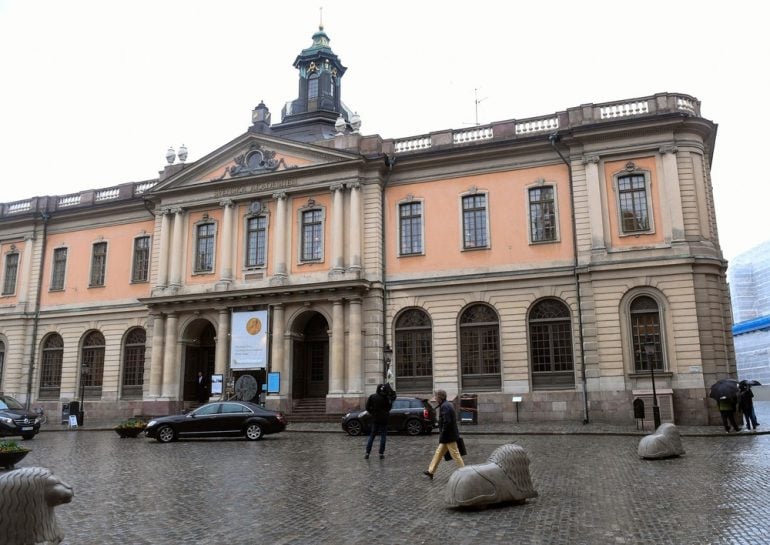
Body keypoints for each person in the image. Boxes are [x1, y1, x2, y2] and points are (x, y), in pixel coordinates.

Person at [423, 389, 464, 479]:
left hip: (448, 436)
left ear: (440, 397)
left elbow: (447, 422)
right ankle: (431, 471)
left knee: (455, 454)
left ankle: (465, 472)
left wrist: (443, 433)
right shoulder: (446, 405)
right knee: (438, 453)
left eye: (436, 396)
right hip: (447, 436)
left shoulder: (445, 406)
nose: (435, 398)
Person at [365, 384, 393, 460]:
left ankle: (367, 453)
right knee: (383, 436)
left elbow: (367, 407)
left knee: (372, 436)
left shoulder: (372, 396)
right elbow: (389, 408)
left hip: (375, 419)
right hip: (384, 419)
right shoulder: (386, 398)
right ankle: (381, 453)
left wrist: (372, 413)